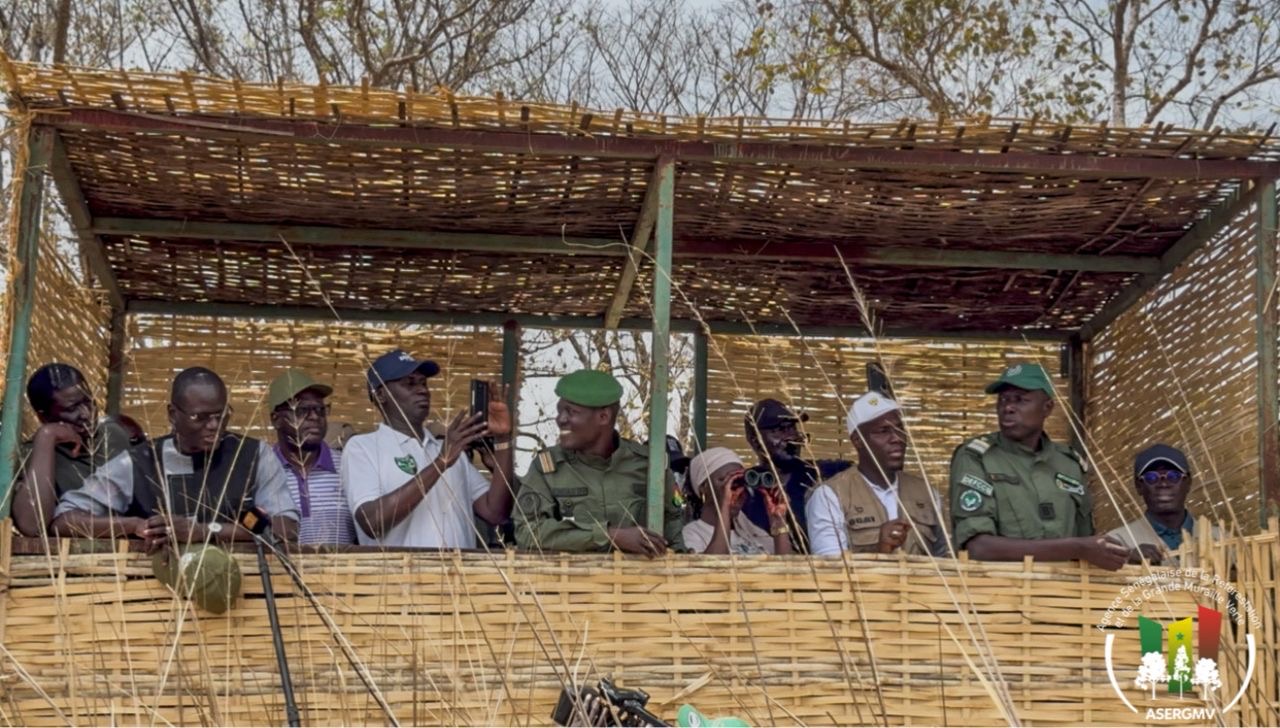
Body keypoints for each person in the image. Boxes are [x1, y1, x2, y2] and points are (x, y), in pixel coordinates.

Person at [52, 367, 299, 550]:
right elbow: (65, 520)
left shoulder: (253, 455)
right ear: (172, 414)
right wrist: (135, 525)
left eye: (222, 414)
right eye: (200, 417)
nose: (214, 425)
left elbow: (286, 527)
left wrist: (206, 531)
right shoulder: (138, 462)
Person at [949, 363, 1129, 570]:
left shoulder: (1069, 463)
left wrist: (1117, 554)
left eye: (1021, 399)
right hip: (999, 587)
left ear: (1047, 407)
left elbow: (1087, 541)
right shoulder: (977, 457)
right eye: (1004, 399)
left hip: (1066, 587)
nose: (1008, 408)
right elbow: (978, 548)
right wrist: (1076, 548)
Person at [341, 349, 515, 548]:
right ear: (380, 395)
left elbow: (495, 514)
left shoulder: (448, 449)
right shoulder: (362, 448)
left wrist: (503, 438)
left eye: (423, 383)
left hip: (459, 569)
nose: (422, 390)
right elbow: (373, 523)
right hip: (401, 569)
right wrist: (441, 462)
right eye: (410, 384)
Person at [514, 369, 685, 555]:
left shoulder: (649, 466)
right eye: (560, 410)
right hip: (570, 574)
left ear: (604, 417)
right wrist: (609, 535)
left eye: (571, 412)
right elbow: (526, 532)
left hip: (640, 574)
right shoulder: (548, 467)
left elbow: (673, 533)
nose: (560, 419)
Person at [807, 392, 947, 557]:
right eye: (883, 431)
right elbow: (831, 568)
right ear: (858, 441)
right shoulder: (830, 495)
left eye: (899, 429)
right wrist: (880, 550)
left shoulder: (927, 493)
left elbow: (948, 561)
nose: (897, 438)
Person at [11, 363, 132, 537]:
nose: (86, 414)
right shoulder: (30, 456)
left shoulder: (114, 436)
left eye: (89, 402)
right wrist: (47, 436)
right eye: (71, 409)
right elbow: (32, 526)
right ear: (43, 416)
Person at [742, 398, 851, 552]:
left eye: (793, 427)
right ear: (756, 442)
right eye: (780, 429)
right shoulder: (744, 487)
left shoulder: (823, 474)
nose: (792, 436)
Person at [268, 368, 355, 545]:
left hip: (342, 564)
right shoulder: (261, 471)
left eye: (320, 409)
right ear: (276, 419)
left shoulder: (348, 465)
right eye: (302, 410)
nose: (315, 417)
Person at [1108, 444, 1213, 565]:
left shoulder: (1221, 540)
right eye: (1151, 478)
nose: (1163, 484)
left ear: (1188, 482)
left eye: (1173, 476)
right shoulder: (1117, 544)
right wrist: (1128, 564)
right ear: (1139, 486)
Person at [682, 447, 790, 555]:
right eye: (724, 480)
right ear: (703, 487)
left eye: (739, 480)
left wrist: (778, 521)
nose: (734, 487)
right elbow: (714, 562)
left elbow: (786, 564)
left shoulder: (749, 529)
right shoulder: (692, 534)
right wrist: (725, 507)